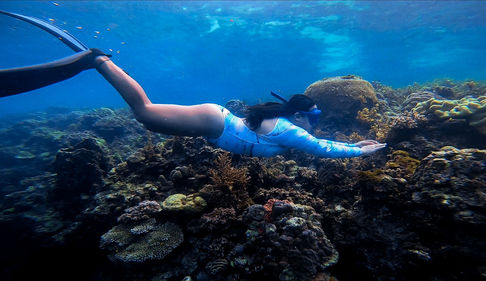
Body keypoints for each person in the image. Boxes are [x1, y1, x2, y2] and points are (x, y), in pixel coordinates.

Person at [0, 11, 386, 158]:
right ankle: (97, 61)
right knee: (145, 115)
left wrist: (354, 143)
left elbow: (324, 142)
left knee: (147, 116)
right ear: (302, 115)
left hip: (214, 118)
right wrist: (364, 151)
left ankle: (97, 62)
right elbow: (324, 149)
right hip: (212, 123)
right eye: (313, 116)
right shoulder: (290, 131)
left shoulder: (282, 122)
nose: (314, 123)